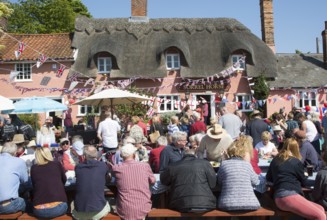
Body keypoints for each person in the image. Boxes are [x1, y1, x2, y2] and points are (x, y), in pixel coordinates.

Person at [266, 138, 326, 220]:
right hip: (289, 196)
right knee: (320, 216)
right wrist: (316, 181)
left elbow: (268, 178)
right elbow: (304, 182)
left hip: (279, 196)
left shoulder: (275, 160)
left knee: (320, 209)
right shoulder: (296, 162)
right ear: (296, 148)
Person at [111, 144, 156, 220]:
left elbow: (113, 182)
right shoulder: (145, 166)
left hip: (124, 209)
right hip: (143, 207)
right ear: (134, 155)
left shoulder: (116, 168)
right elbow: (153, 181)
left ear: (122, 156)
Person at [217, 138, 260, 211]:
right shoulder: (247, 165)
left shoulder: (224, 164)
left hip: (227, 203)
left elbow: (219, 182)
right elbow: (256, 181)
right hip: (249, 203)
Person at [73, 145, 110, 220]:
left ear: (84, 156)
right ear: (96, 154)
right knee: (108, 204)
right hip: (97, 212)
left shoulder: (78, 167)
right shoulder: (102, 165)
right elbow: (107, 180)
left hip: (79, 212)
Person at [31, 147, 68, 219]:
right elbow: (64, 180)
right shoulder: (56, 164)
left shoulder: (33, 168)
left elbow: (34, 185)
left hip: (39, 210)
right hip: (58, 207)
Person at [0, 142, 28, 214]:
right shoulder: (18, 161)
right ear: (15, 152)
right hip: (7, 205)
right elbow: (25, 182)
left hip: (5, 203)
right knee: (32, 207)